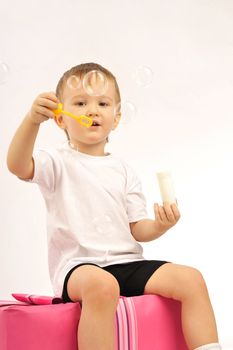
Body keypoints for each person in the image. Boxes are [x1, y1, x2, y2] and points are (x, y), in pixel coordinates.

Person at [7, 62, 221, 350]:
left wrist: (159, 225)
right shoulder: (56, 162)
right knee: (103, 286)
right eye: (81, 103)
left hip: (126, 263)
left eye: (103, 103)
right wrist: (32, 121)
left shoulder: (123, 170)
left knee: (191, 279)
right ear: (60, 119)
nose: (92, 110)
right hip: (80, 267)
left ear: (116, 118)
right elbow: (17, 165)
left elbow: (137, 229)